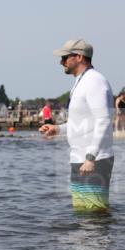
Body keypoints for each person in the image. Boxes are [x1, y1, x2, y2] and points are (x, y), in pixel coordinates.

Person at [39, 39, 115, 212]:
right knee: (82, 211)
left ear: (79, 57)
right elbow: (81, 122)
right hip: (79, 158)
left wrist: (90, 157)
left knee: (94, 212)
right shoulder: (81, 81)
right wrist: (58, 129)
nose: (61, 62)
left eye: (65, 57)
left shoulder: (95, 81)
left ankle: (100, 240)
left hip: (94, 159)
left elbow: (104, 120)